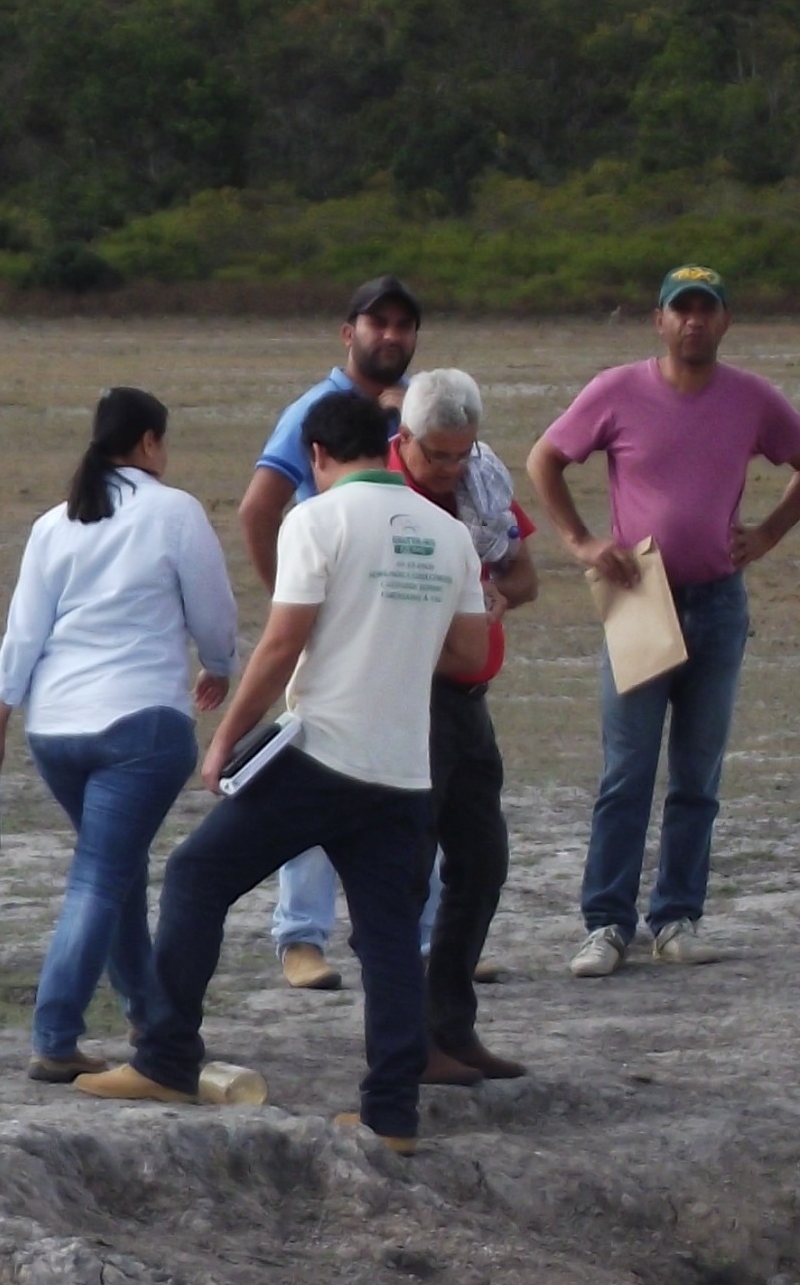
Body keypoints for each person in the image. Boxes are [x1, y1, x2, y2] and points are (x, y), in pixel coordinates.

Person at [79, 390, 489, 1154]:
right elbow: (469, 654)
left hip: (320, 754)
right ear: (390, 446)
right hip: (402, 766)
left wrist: (224, 739)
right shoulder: (448, 534)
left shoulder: (316, 518)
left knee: (199, 875)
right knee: (390, 936)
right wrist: (398, 633)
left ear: (318, 456)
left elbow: (279, 644)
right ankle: (391, 1112)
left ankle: (167, 1055)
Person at [525, 265, 800, 978]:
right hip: (639, 596)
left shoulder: (752, 398)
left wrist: (768, 534)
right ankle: (606, 923)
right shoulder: (616, 391)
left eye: (707, 309)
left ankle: (677, 917)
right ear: (658, 321)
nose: (693, 322)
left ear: (725, 321)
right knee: (627, 770)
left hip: (719, 601)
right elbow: (547, 458)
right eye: (680, 310)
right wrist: (580, 542)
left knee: (697, 773)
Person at [0, 387, 241, 1083]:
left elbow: (23, 632)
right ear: (150, 443)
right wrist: (220, 668)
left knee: (114, 869)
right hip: (140, 726)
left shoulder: (53, 524)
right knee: (100, 876)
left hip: (55, 730)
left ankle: (150, 1014)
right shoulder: (174, 511)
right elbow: (213, 614)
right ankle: (55, 1032)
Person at [233, 276, 422, 992]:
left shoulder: (419, 406)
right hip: (333, 625)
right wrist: (290, 599)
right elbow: (259, 508)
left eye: (405, 325)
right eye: (378, 322)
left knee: (413, 773)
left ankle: (422, 935)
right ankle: (300, 937)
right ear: (348, 331)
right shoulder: (312, 411)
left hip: (404, 618)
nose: (392, 336)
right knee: (316, 767)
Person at [387, 368, 539, 1082]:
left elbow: (524, 575)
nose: (450, 471)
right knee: (408, 869)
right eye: (436, 456)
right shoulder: (383, 497)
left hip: (468, 701)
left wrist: (495, 597)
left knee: (482, 861)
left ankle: (451, 1023)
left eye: (461, 454)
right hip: (411, 700)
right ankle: (406, 1039)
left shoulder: (484, 486)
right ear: (405, 440)